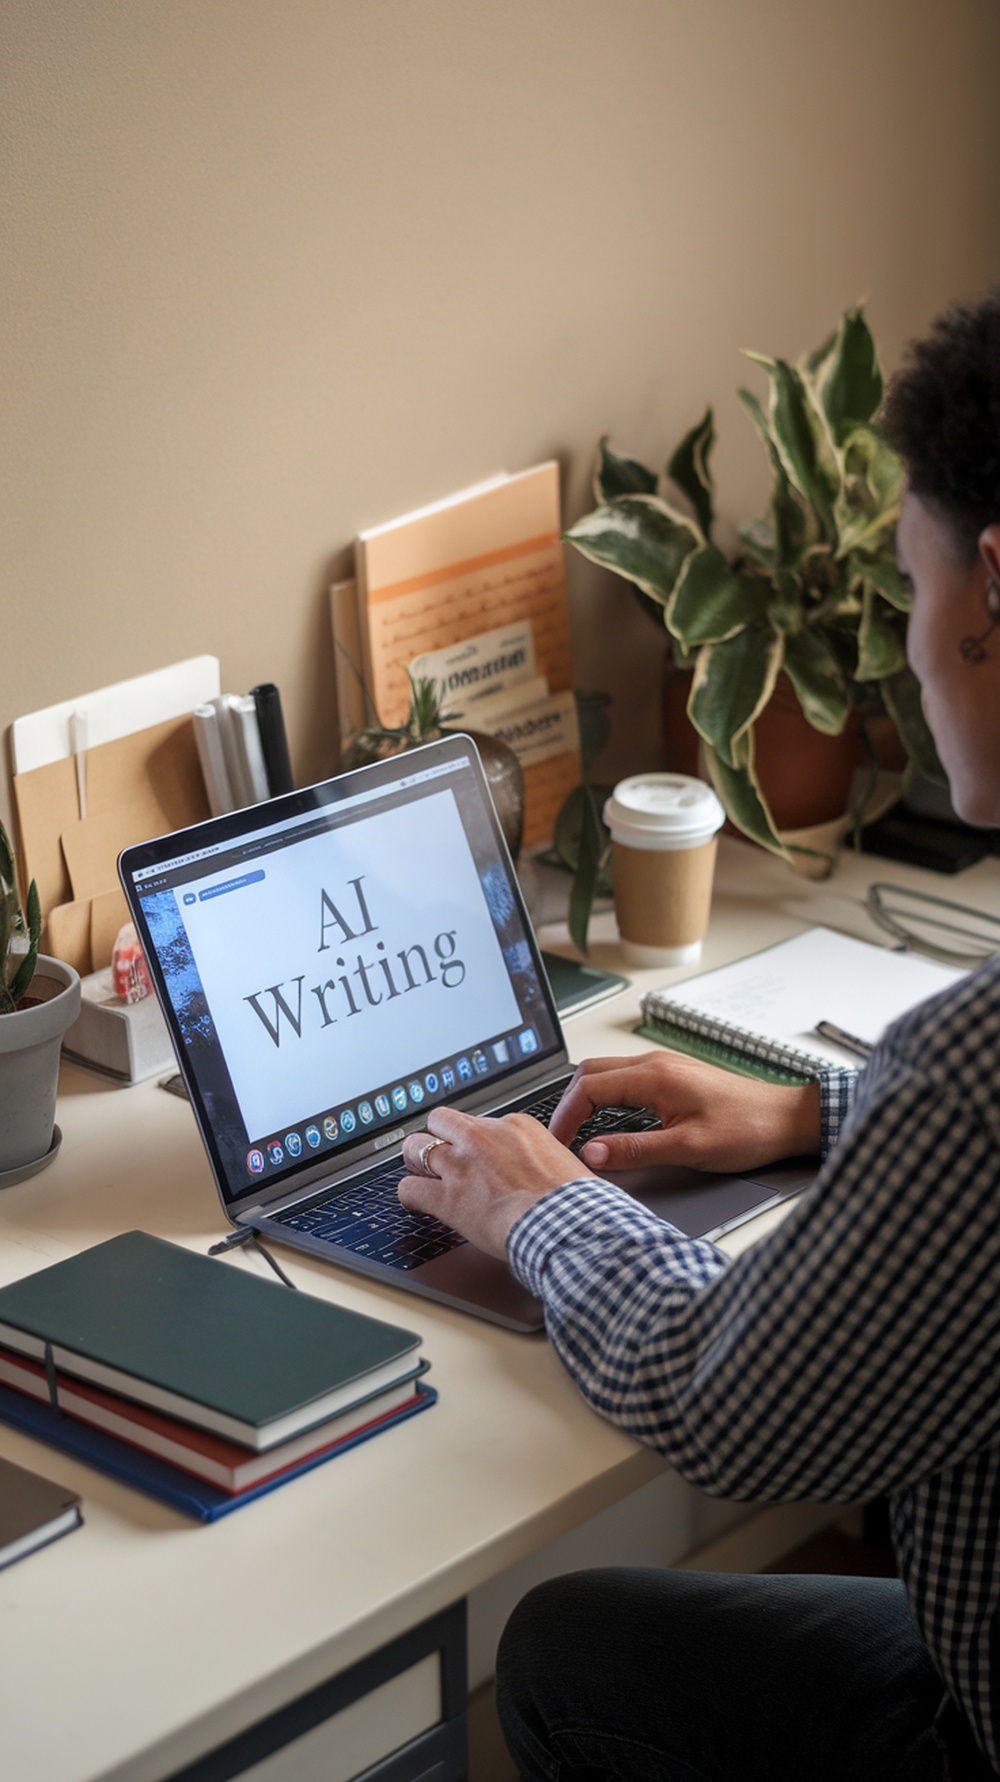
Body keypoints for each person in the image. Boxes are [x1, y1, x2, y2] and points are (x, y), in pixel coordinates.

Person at [398, 290, 1000, 1781]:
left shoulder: (973, 1080)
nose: (908, 659)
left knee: (565, 1652)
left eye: (912, 590)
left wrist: (543, 1203)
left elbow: (730, 1400)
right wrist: (815, 1115)